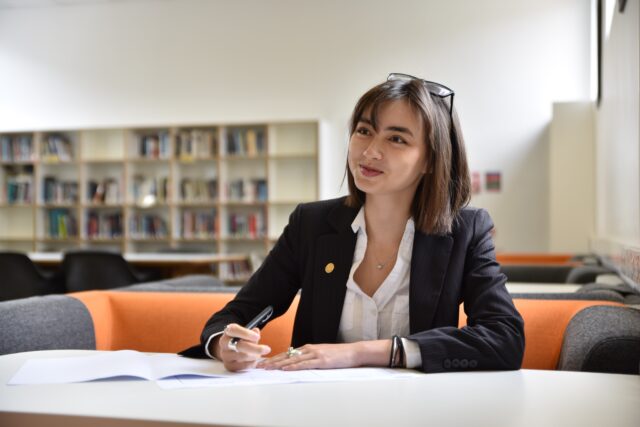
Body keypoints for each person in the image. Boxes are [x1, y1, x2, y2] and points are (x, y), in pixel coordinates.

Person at [198, 73, 525, 373]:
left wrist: (363, 353)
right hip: (316, 408)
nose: (370, 151)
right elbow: (233, 316)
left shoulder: (465, 231)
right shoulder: (310, 225)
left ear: (430, 159)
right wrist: (226, 344)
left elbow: (505, 339)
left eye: (396, 139)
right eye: (364, 131)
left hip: (421, 411)